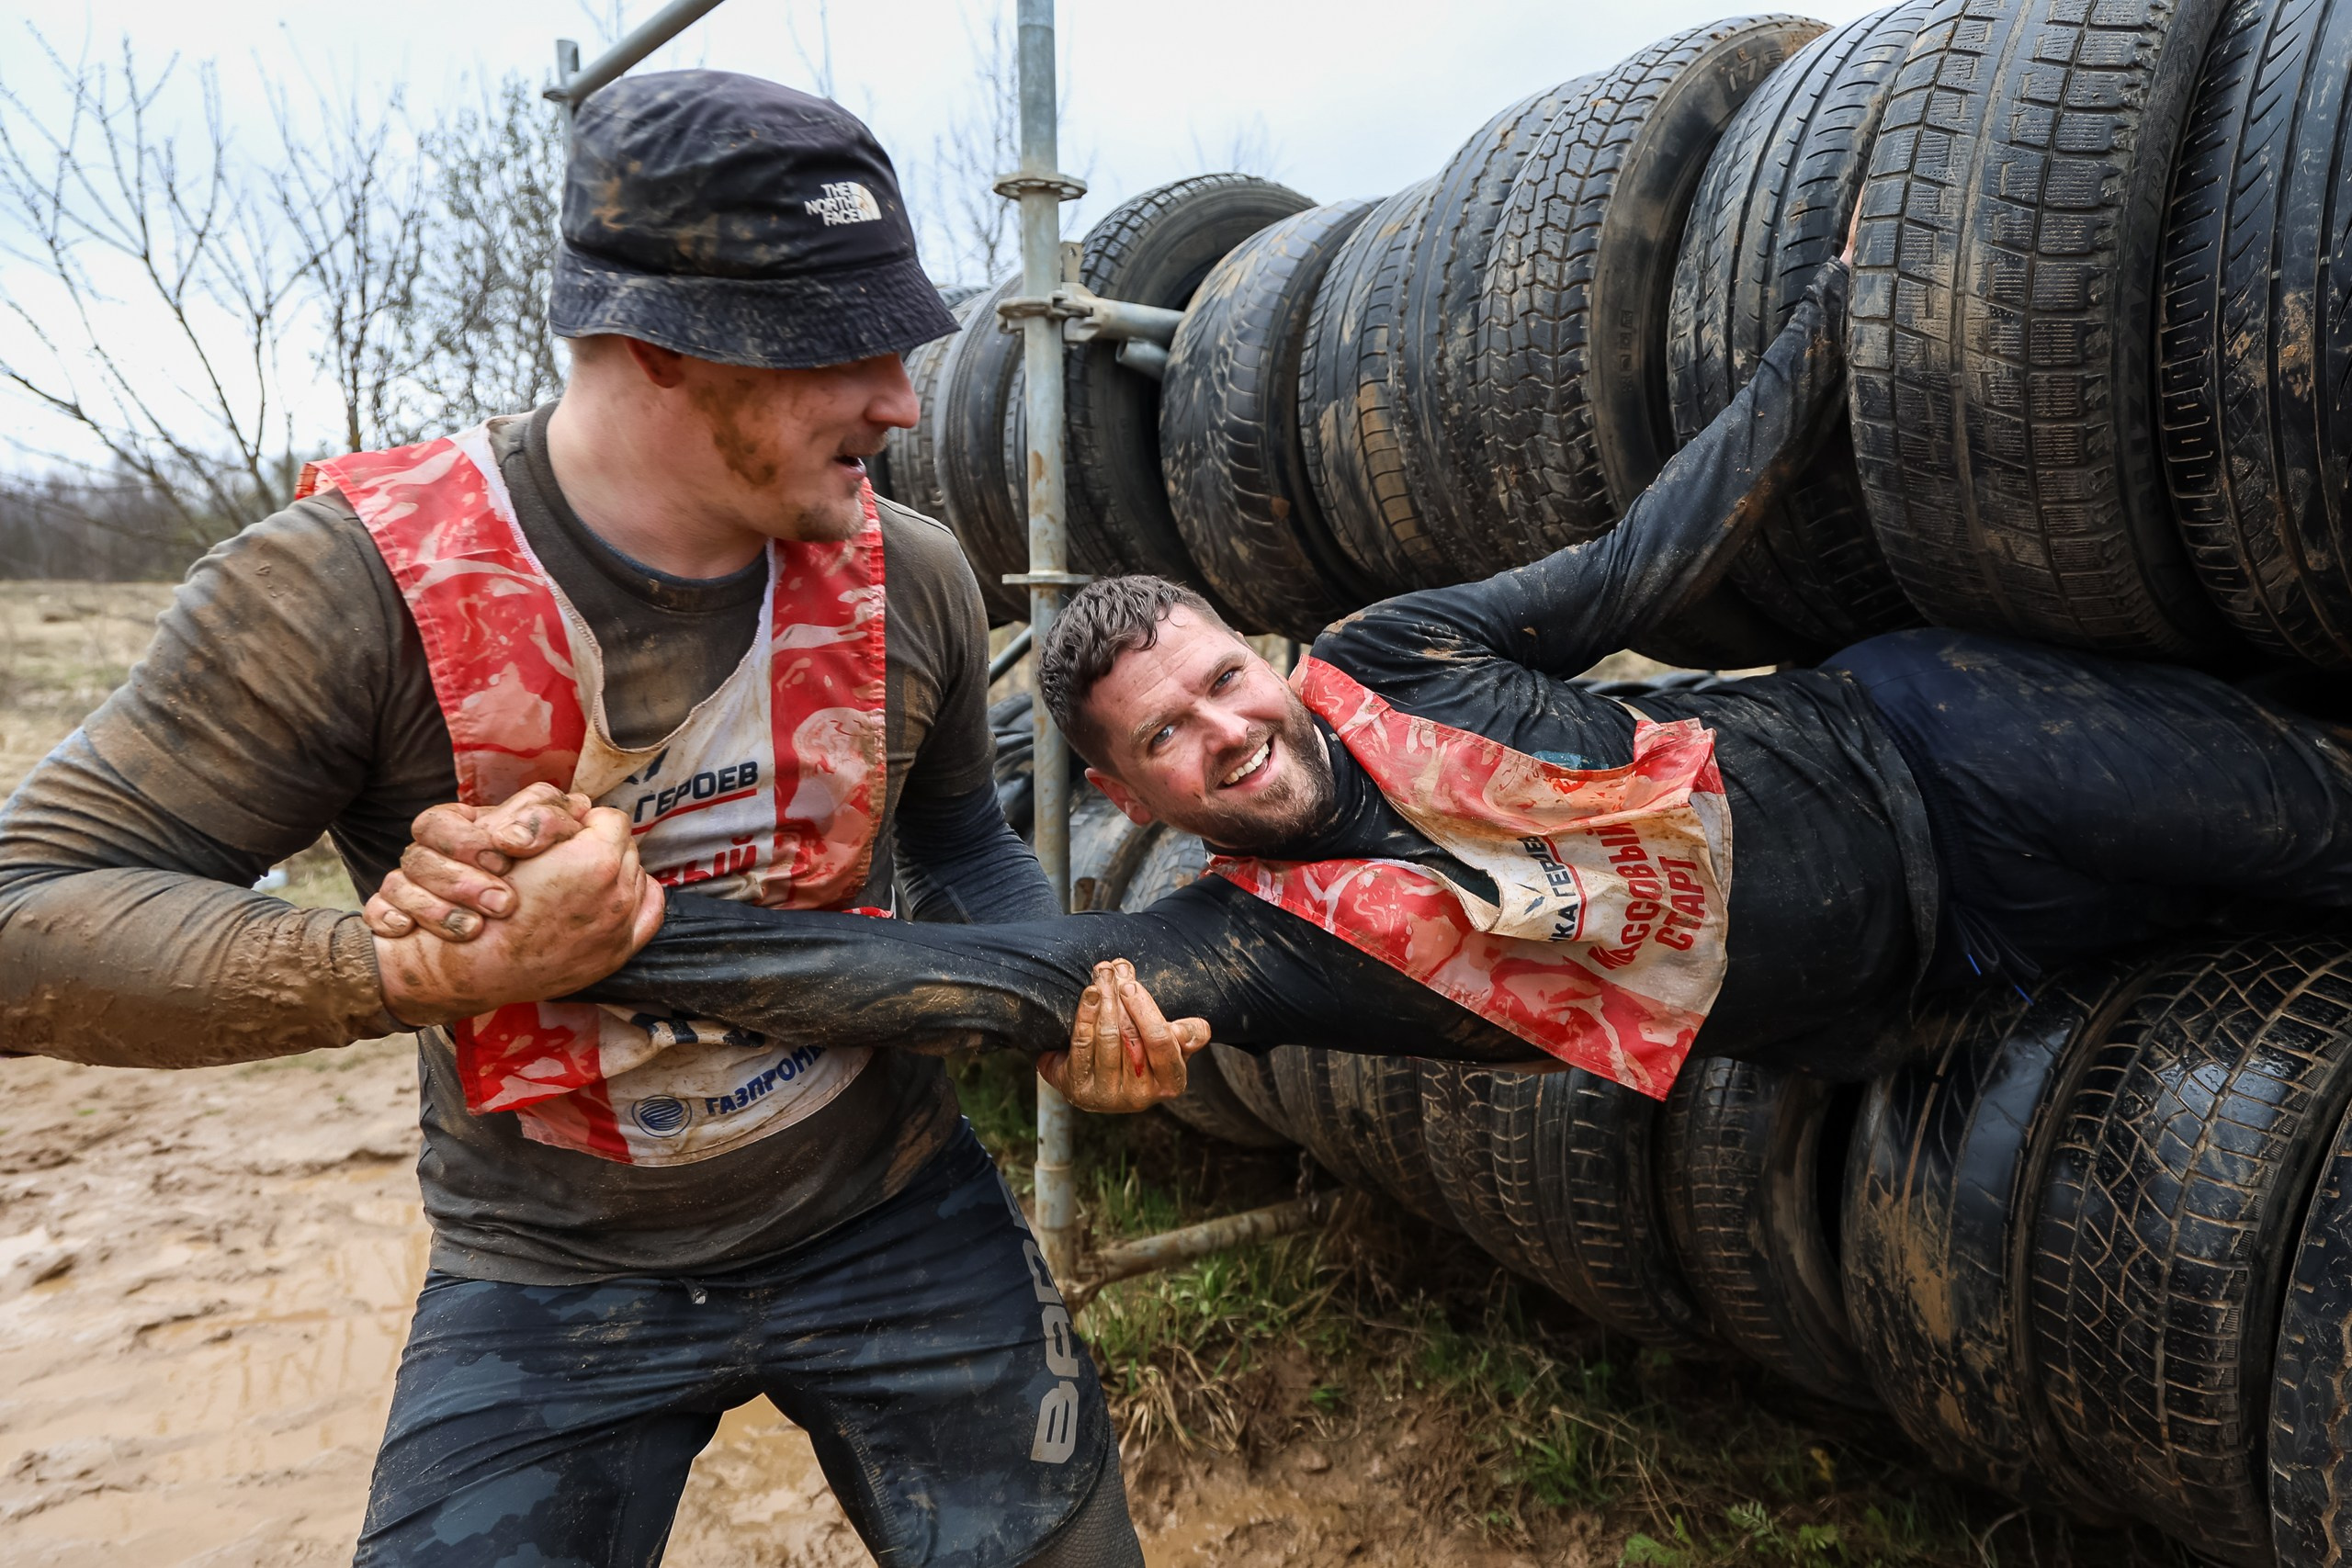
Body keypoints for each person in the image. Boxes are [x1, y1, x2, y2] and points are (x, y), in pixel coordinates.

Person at [0, 71, 1168, 1568]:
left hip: (891, 1212)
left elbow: (963, 846)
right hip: (553, 1268)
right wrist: (409, 969)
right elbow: (32, 909)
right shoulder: (341, 591)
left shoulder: (915, 575)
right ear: (650, 347)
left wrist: (1065, 994)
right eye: (839, 346)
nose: (900, 396)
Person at [374, 254, 2352, 1094]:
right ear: (1134, 805)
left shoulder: (1404, 651)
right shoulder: (1259, 949)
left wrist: (1819, 332)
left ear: (1268, 654)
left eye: (1225, 682)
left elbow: (1651, 557)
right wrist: (610, 954)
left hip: (1956, 753)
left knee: (2320, 836)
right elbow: (947, 978)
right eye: (1169, 740)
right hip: (1935, 995)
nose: (1227, 730)